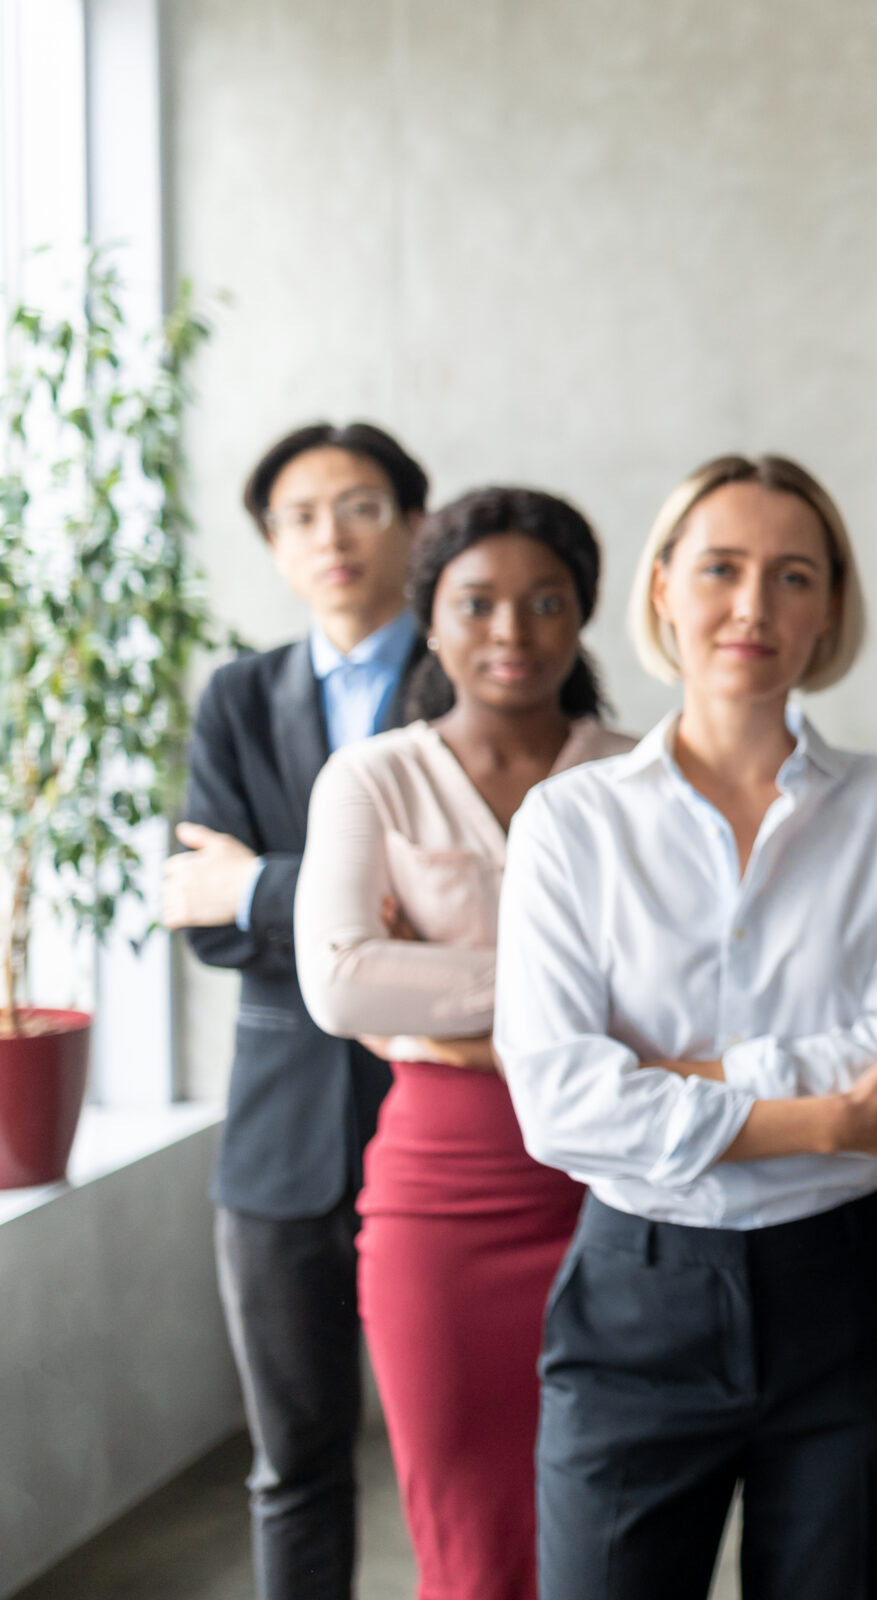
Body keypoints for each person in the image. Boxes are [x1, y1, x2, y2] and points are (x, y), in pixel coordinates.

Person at [493, 456, 877, 1600]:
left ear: (830, 607)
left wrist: (675, 1077)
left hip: (854, 1294)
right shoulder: (570, 821)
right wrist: (830, 1114)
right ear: (659, 590)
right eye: (722, 569)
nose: (753, 606)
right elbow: (557, 1096)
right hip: (637, 1294)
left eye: (793, 575)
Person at [294, 487, 633, 1600]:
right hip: (442, 1195)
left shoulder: (640, 775)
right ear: (428, 616)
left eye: (545, 602)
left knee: (615, 1531)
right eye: (477, 602)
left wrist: (445, 997)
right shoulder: (374, 776)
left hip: (622, 1184)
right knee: (468, 1540)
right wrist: (573, 997)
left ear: (580, 614)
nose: (511, 631)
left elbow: (694, 999)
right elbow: (341, 982)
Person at [165, 422, 431, 1600]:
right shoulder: (236, 695)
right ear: (274, 546)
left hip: (448, 1113)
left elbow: (489, 917)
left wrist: (265, 880)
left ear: (415, 527)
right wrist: (353, 907)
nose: (332, 535)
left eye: (362, 504)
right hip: (277, 1143)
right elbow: (201, 916)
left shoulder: (481, 673)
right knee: (294, 1463)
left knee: (470, 1455)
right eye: (300, 515)